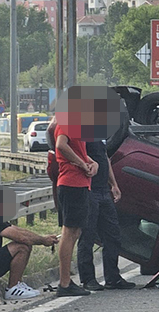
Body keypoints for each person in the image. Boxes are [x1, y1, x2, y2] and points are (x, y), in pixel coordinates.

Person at [77, 140, 136, 290]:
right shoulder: (80, 134)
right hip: (89, 189)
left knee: (113, 235)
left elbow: (105, 159)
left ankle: (112, 277)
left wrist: (113, 184)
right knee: (87, 236)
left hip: (103, 190)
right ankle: (88, 278)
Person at [0, 215, 59, 300]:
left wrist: (43, 238)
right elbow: (21, 237)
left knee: (27, 244)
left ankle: (18, 283)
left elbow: (19, 231)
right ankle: (13, 288)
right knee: (22, 247)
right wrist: (43, 241)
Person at [54, 121, 99, 296]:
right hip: (71, 183)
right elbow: (61, 145)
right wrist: (81, 164)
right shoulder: (66, 122)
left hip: (80, 184)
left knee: (75, 232)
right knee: (69, 231)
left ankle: (66, 281)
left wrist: (93, 164)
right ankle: (64, 283)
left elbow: (81, 153)